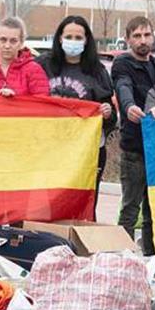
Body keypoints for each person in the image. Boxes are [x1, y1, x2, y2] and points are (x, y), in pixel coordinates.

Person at [42, 15, 115, 204]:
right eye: (69, 37)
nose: (73, 42)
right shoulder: (43, 65)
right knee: (48, 204)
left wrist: (108, 113)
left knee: (81, 204)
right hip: (50, 150)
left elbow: (111, 116)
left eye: (78, 38)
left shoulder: (97, 71)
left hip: (85, 152)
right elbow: (16, 70)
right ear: (59, 38)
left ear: (86, 40)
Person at [111, 15, 155, 256]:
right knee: (130, 209)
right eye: (137, 36)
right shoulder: (123, 64)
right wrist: (128, 105)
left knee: (153, 210)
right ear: (128, 40)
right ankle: (124, 257)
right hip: (133, 148)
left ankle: (152, 258)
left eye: (147, 35)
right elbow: (123, 86)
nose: (143, 40)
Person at [0, 16, 50, 97]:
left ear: (21, 43)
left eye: (13, 41)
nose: (7, 45)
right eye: (3, 40)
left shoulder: (34, 70)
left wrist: (15, 100)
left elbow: (42, 104)